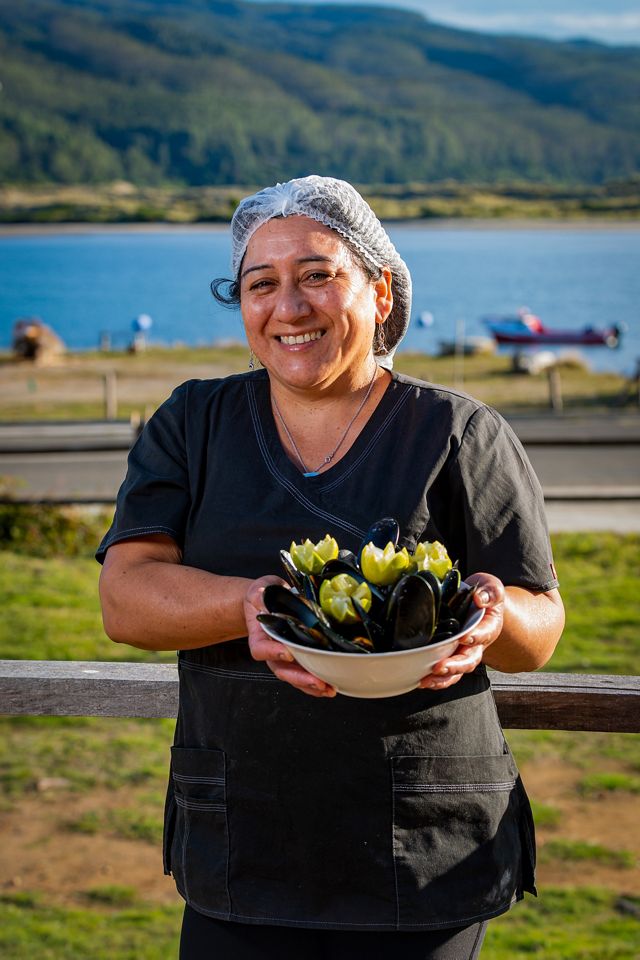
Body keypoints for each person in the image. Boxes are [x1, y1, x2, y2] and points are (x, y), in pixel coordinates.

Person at [97, 175, 565, 960]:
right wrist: (249, 605)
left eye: (318, 274)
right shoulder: (193, 423)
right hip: (241, 840)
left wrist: (496, 613)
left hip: (421, 850)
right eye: (261, 283)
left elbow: (539, 627)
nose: (290, 306)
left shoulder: (459, 432)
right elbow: (125, 598)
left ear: (380, 292)